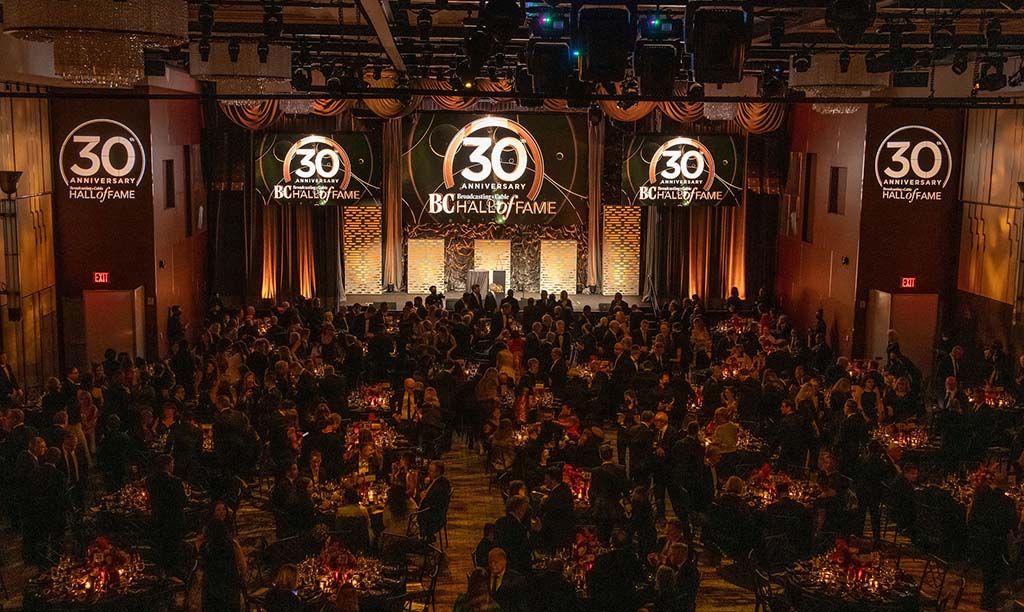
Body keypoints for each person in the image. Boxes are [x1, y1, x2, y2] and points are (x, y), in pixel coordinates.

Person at [146, 454, 187, 574]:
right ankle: (174, 571)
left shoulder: (150, 480)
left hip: (158, 517)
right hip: (174, 519)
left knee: (161, 546)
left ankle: (162, 571)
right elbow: (183, 501)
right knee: (174, 547)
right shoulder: (175, 481)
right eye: (172, 464)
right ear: (168, 466)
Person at [200, 518, 247, 612]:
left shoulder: (205, 547)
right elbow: (243, 566)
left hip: (211, 587)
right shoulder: (232, 545)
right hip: (230, 586)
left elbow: (202, 567)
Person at [494, 495, 533, 573]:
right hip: (515, 569)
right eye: (524, 508)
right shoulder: (519, 528)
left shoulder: (500, 522)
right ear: (519, 509)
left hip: (499, 564)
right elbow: (525, 552)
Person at [538, 465, 575, 550]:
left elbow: (545, 511)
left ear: (553, 480)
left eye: (547, 479)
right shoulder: (565, 487)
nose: (544, 481)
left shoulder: (555, 498)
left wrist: (543, 502)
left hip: (557, 532)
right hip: (566, 528)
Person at [487, 547, 525, 612]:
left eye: (496, 562)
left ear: (504, 561)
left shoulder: (516, 580)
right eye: (490, 562)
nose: (492, 565)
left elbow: (521, 605)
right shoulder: (484, 576)